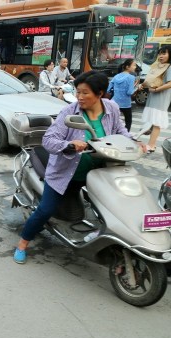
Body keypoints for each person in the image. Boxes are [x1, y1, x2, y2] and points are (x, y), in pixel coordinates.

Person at [13, 71, 145, 264]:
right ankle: (23, 243)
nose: (79, 97)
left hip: (99, 173)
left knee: (116, 207)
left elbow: (119, 131)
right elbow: (49, 139)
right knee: (45, 210)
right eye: (78, 92)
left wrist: (136, 142)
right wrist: (70, 145)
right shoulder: (70, 112)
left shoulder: (112, 108)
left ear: (100, 93)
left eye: (85, 93)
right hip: (65, 173)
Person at [141, 45, 171, 153]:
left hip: (161, 99)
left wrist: (157, 89)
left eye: (164, 53)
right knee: (152, 121)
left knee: (156, 122)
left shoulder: (169, 67)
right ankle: (150, 141)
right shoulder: (158, 66)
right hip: (153, 97)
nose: (161, 56)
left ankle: (152, 145)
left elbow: (170, 84)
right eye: (160, 53)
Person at [107, 58, 141, 131]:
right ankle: (125, 136)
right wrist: (137, 88)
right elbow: (129, 92)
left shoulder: (116, 76)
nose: (135, 67)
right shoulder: (131, 77)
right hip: (125, 104)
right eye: (134, 65)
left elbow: (108, 89)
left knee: (113, 121)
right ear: (127, 67)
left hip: (114, 102)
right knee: (128, 121)